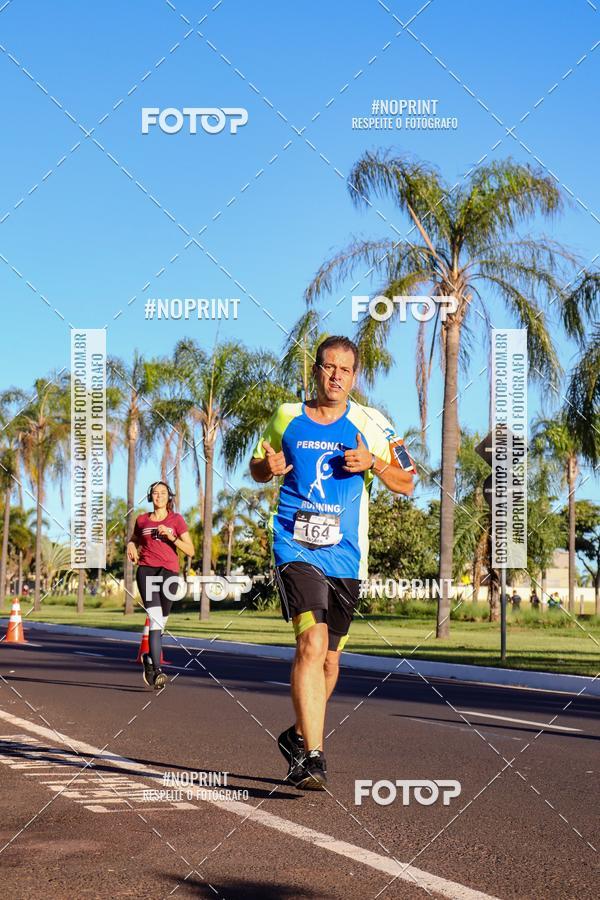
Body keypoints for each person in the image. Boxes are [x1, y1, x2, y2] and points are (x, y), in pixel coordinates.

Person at [250, 335, 415, 790]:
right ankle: (313, 757)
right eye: (328, 367)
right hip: (294, 544)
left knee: (331, 663)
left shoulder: (373, 423)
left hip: (346, 555)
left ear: (355, 375)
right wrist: (270, 467)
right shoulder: (286, 416)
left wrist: (374, 464)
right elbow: (258, 467)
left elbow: (408, 482)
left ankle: (298, 735)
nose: (335, 375)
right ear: (316, 370)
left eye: (345, 369)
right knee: (312, 642)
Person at [127, 481, 194, 689]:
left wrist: (171, 536)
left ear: (169, 497)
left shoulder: (176, 520)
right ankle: (157, 671)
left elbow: (190, 550)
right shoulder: (142, 520)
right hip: (146, 571)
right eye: (155, 493)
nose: (159, 496)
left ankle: (148, 657)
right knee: (155, 620)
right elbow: (133, 539)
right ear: (150, 497)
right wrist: (130, 545)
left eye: (163, 493)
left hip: (169, 573)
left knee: (161, 623)